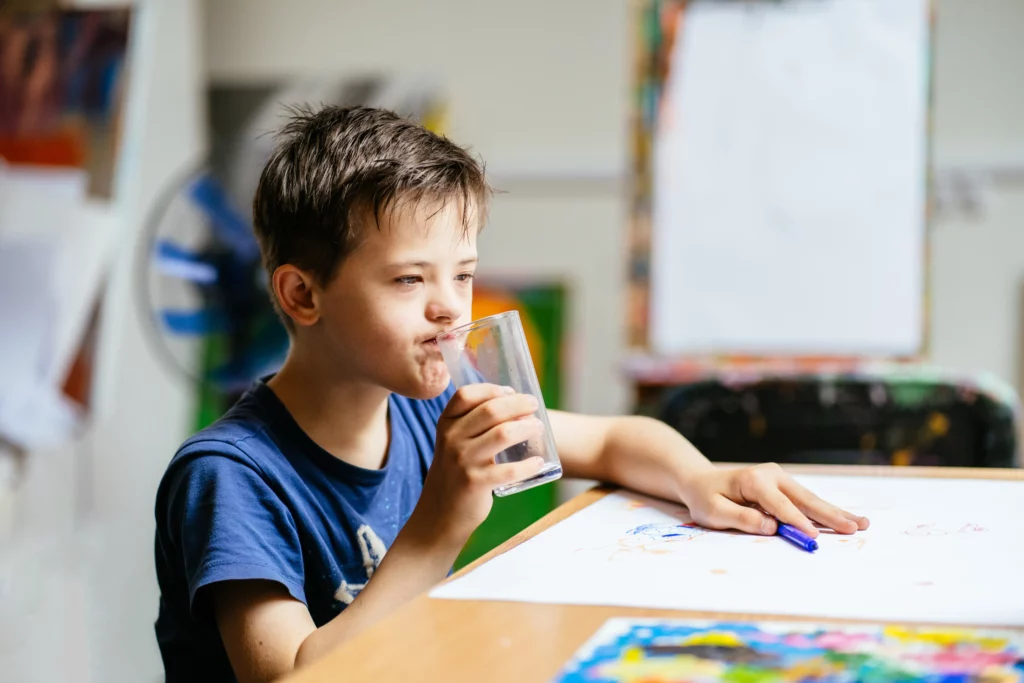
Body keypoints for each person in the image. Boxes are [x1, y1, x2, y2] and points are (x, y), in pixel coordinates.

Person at [153, 105, 869, 683]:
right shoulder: (233, 476)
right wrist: (438, 527)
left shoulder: (429, 402)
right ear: (302, 294)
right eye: (410, 280)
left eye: (461, 275)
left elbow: (616, 441)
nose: (449, 309)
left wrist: (703, 476)